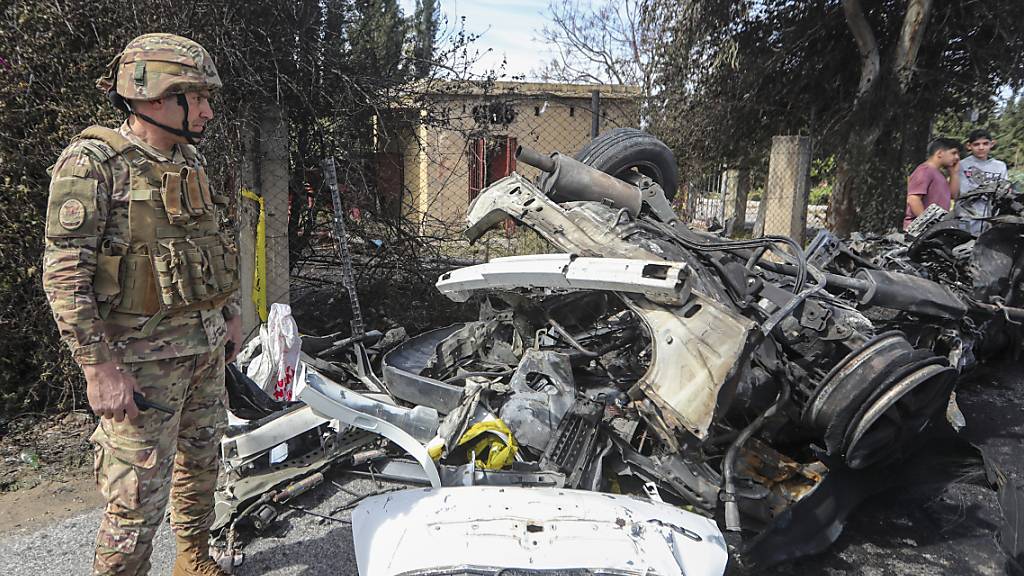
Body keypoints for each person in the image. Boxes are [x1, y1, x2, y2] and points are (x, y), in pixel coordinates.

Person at [42, 34, 242, 576]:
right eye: (195, 97)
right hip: (139, 364)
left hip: (202, 347)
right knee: (135, 497)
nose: (207, 111)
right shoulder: (93, 163)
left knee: (202, 462)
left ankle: (193, 559)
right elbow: (65, 275)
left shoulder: (188, 159)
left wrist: (228, 313)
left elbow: (208, 244)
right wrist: (98, 368)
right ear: (152, 95)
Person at [904, 138, 961, 230]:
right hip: (920, 230)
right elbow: (913, 199)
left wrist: (954, 173)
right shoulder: (925, 171)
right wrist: (927, 223)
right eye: (953, 153)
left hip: (934, 229)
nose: (957, 157)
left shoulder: (939, 174)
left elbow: (952, 195)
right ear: (939, 153)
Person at [960, 128, 1008, 195]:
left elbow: (1004, 189)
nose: (981, 148)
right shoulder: (962, 165)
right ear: (969, 146)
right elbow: (963, 191)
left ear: (991, 144)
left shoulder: (1000, 166)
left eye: (985, 144)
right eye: (976, 144)